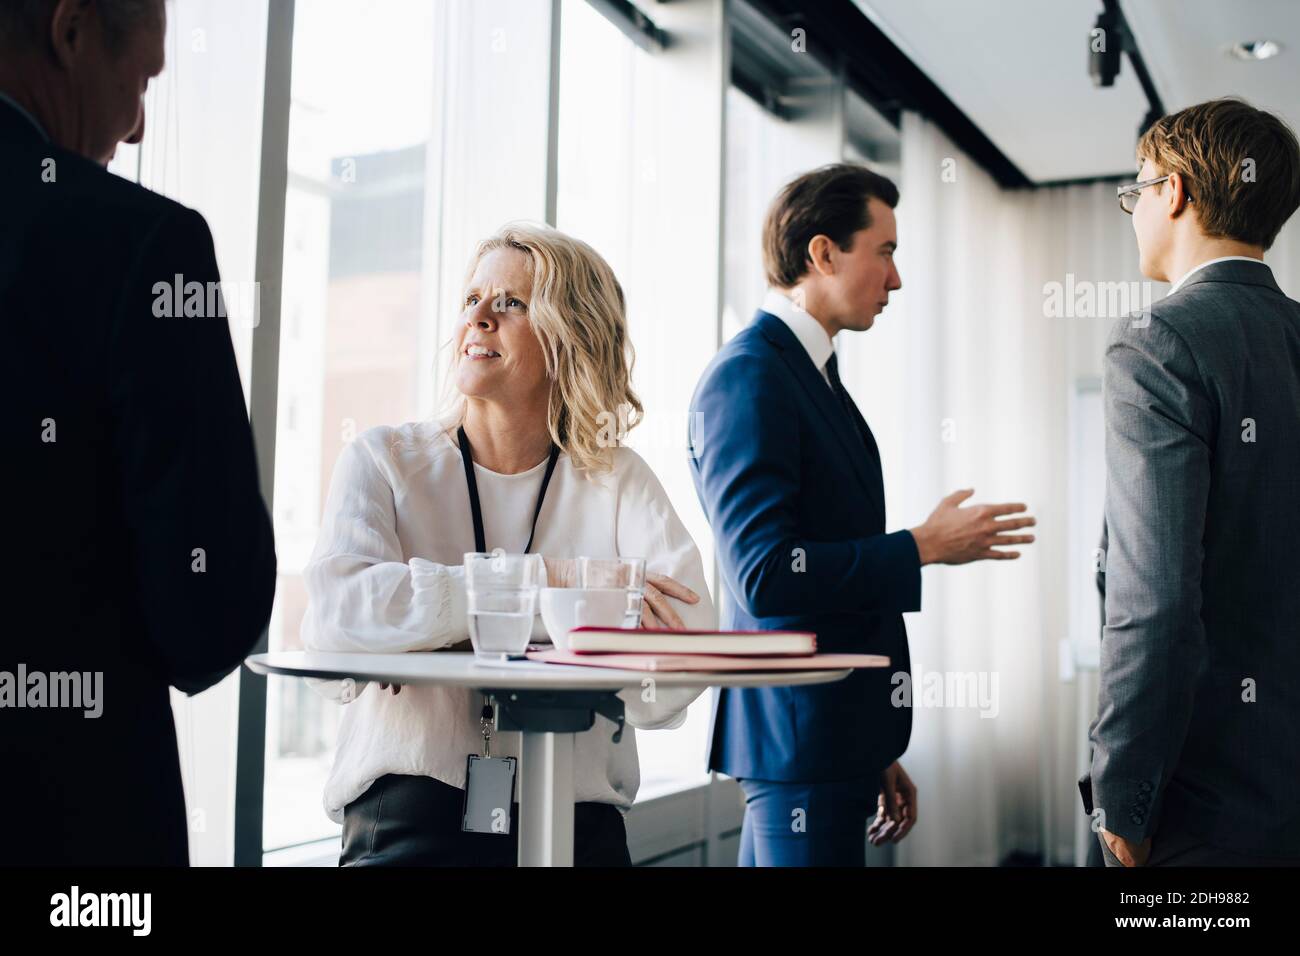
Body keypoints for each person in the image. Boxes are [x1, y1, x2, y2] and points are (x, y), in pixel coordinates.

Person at [302, 222, 715, 866]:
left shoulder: (617, 477)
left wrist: (435, 622)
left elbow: (685, 639)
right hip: (410, 816)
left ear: (569, 337)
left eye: (512, 303)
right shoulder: (383, 459)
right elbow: (338, 620)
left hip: (581, 826)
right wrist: (556, 587)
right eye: (472, 300)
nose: (480, 317)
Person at [689, 163, 1036, 866]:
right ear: (822, 253)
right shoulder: (751, 374)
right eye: (885, 251)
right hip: (799, 743)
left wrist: (873, 746)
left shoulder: (809, 374)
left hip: (827, 740)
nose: (896, 279)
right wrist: (920, 546)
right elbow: (764, 575)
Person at [0, 0, 277, 865]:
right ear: (71, 31)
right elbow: (210, 613)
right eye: (143, 78)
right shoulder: (142, 245)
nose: (139, 121)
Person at [1083, 98, 1300, 867]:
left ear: (1173, 192)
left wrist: (1123, 797)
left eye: (1136, 190)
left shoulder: (1158, 342)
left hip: (1206, 806)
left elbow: (1155, 600)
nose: (1134, 210)